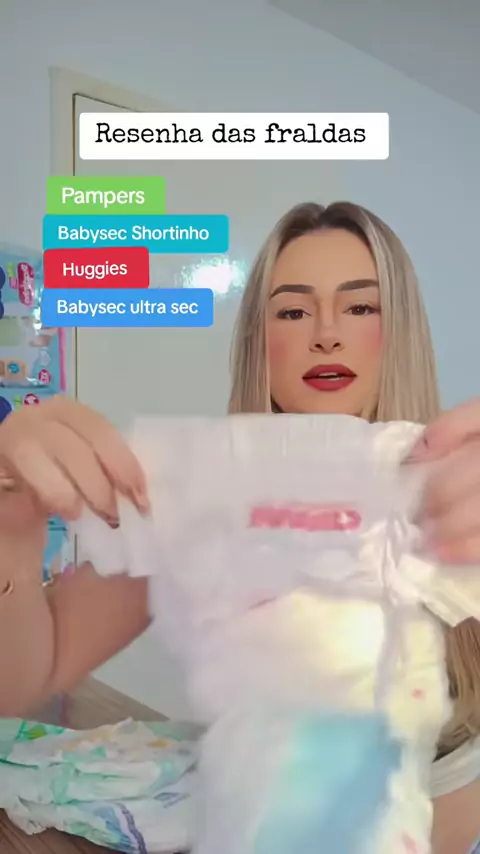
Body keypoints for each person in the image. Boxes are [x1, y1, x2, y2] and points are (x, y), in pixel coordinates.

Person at [1, 200, 480, 854]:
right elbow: (29, 675)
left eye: (360, 307)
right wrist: (13, 533)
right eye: (293, 311)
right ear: (261, 343)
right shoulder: (201, 496)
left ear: (400, 331)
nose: (326, 334)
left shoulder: (462, 485)